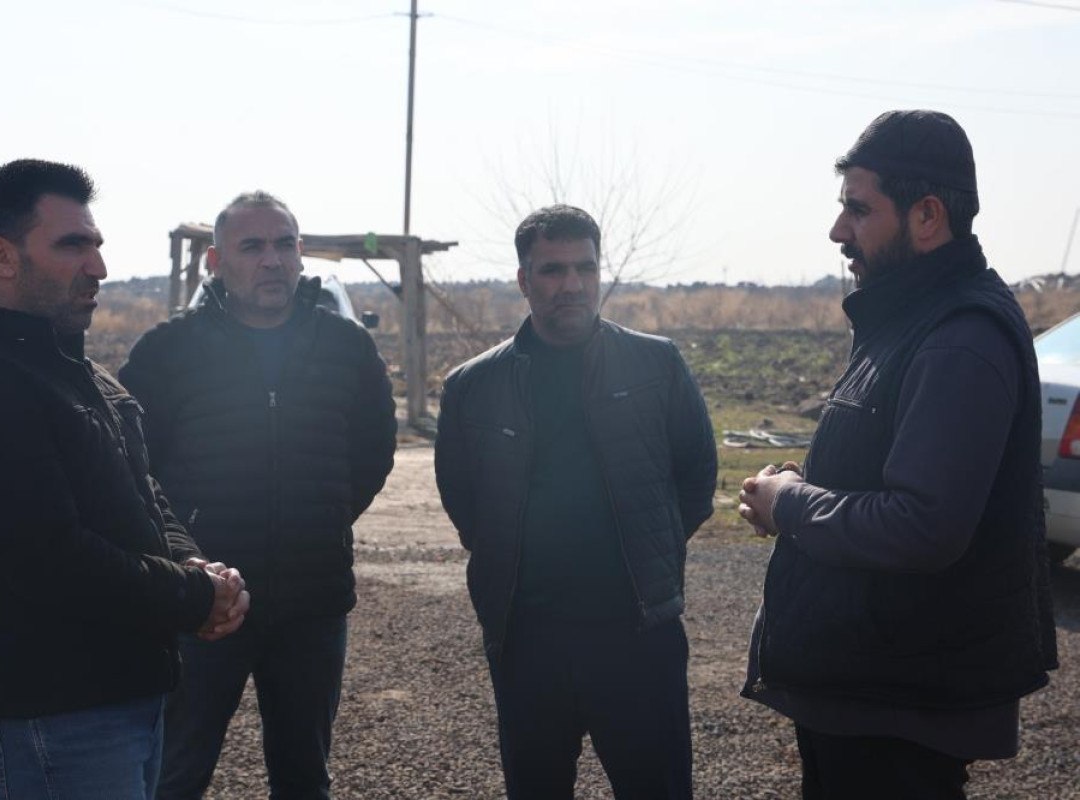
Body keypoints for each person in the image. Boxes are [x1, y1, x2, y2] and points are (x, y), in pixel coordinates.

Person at [0, 159, 249, 800]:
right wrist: (193, 597)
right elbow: (51, 560)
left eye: (96, 244)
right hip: (50, 716)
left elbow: (141, 492)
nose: (99, 267)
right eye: (72, 245)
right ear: (1, 256)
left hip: (119, 698)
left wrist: (192, 563)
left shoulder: (72, 369)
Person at [738, 110, 1058, 799]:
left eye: (859, 209)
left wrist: (790, 504)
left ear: (927, 216)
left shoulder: (960, 336)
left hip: (899, 706)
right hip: (867, 689)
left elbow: (923, 525)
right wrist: (799, 485)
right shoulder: (907, 316)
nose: (838, 231)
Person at [434, 204, 718, 799]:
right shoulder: (473, 387)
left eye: (585, 268)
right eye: (553, 270)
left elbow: (695, 478)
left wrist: (653, 547)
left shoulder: (655, 364)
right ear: (523, 279)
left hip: (638, 635)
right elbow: (463, 499)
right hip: (527, 639)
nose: (572, 284)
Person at [119, 191, 397, 799]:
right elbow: (133, 467)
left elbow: (373, 452)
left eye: (284, 244)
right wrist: (184, 558)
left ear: (300, 254)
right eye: (252, 247)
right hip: (202, 601)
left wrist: (322, 516)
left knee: (304, 778)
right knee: (174, 773)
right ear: (216, 262)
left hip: (313, 601)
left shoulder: (347, 347)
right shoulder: (168, 351)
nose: (272, 260)